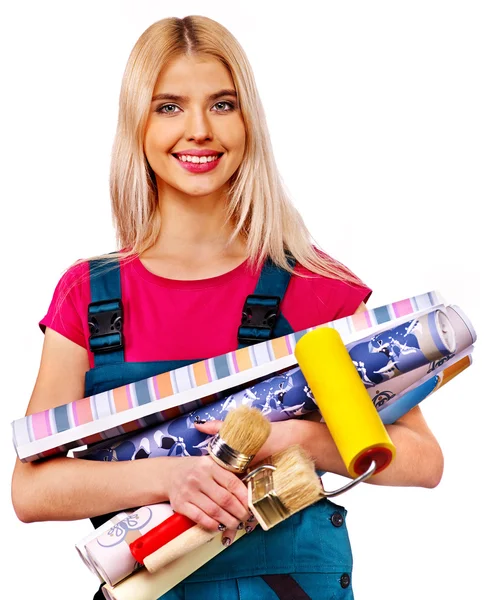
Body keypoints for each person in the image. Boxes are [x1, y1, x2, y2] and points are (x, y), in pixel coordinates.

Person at [11, 15, 444, 600]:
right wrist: (169, 476)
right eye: (168, 106)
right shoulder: (89, 295)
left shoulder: (317, 287)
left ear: (248, 122)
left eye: (222, 104)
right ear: (137, 124)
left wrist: (295, 441)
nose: (198, 130)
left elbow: (422, 459)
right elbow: (31, 490)